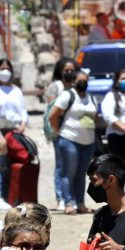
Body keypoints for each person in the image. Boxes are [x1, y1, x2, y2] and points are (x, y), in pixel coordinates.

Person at [48, 70, 97, 215]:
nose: (83, 83)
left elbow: (95, 117)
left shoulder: (91, 98)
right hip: (69, 139)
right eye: (79, 80)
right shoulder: (67, 95)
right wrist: (59, 133)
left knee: (82, 174)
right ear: (74, 82)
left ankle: (80, 203)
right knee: (68, 173)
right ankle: (68, 203)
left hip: (88, 142)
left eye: (85, 81)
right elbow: (53, 116)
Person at [0, 59, 27, 210]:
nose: (5, 71)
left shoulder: (16, 90)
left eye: (7, 68)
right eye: (1, 68)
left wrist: (23, 125)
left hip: (15, 132)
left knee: (12, 165)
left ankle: (9, 196)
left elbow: (23, 110)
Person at [46, 58, 79, 211]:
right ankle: (61, 198)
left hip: (75, 132)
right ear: (60, 71)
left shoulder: (77, 86)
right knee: (60, 165)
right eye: (66, 70)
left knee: (72, 167)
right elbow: (52, 107)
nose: (69, 73)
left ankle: (71, 197)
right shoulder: (56, 86)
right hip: (59, 130)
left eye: (72, 70)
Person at [101, 69, 125, 167]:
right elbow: (108, 116)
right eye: (123, 78)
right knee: (118, 170)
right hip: (117, 136)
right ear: (117, 81)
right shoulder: (111, 96)